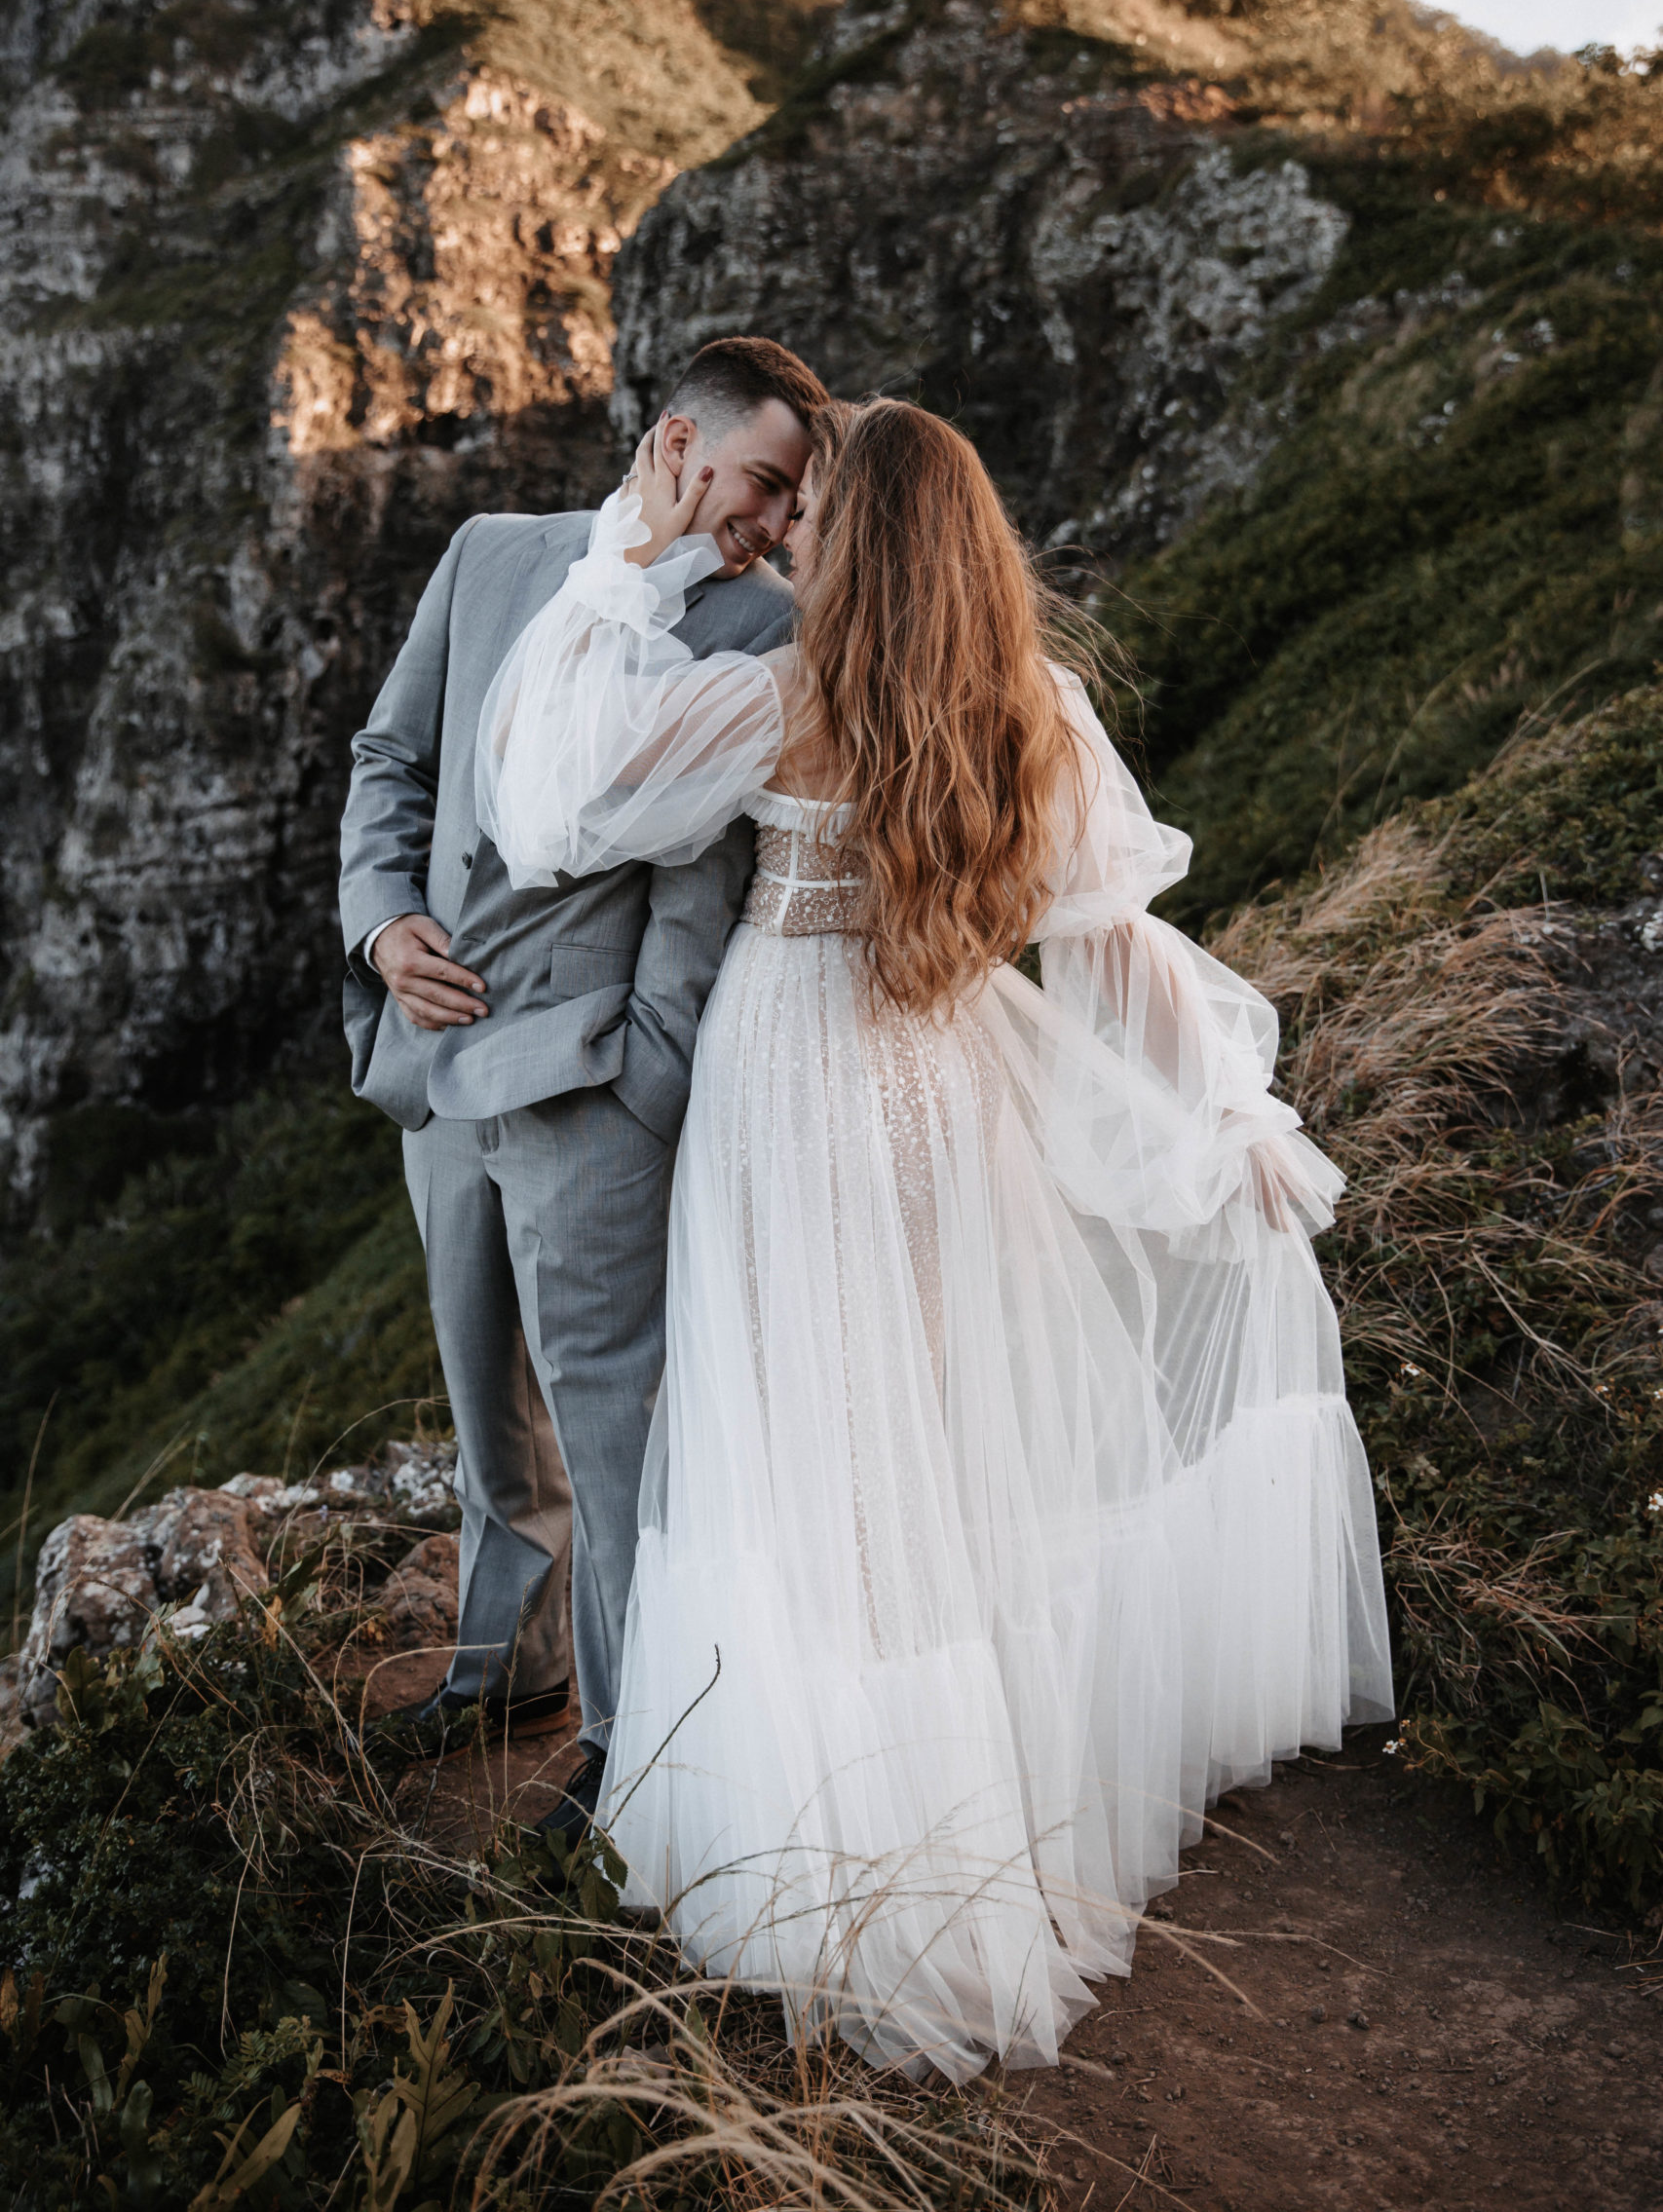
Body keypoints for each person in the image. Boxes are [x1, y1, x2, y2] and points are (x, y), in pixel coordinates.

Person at [477, 394, 1393, 2078]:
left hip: (787, 1090)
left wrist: (624, 561)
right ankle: (956, 1822)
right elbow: (1115, 943)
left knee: (802, 1453)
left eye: (818, 517)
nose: (794, 538)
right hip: (940, 1089)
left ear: (865, 542)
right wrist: (1235, 1114)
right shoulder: (1030, 707)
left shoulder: (778, 698)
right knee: (931, 1452)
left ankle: (831, 1846)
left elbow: (552, 800)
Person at [338, 336, 827, 1809]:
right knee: (487, 1401)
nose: (772, 523)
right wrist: (382, 925)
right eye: (762, 483)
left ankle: (629, 1746)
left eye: (791, 501)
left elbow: (706, 882)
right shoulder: (493, 552)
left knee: (614, 1437)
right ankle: (508, 1665)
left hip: (587, 1087)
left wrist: (641, 1084)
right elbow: (390, 759)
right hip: (434, 1063)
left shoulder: (764, 629)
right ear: (680, 445)